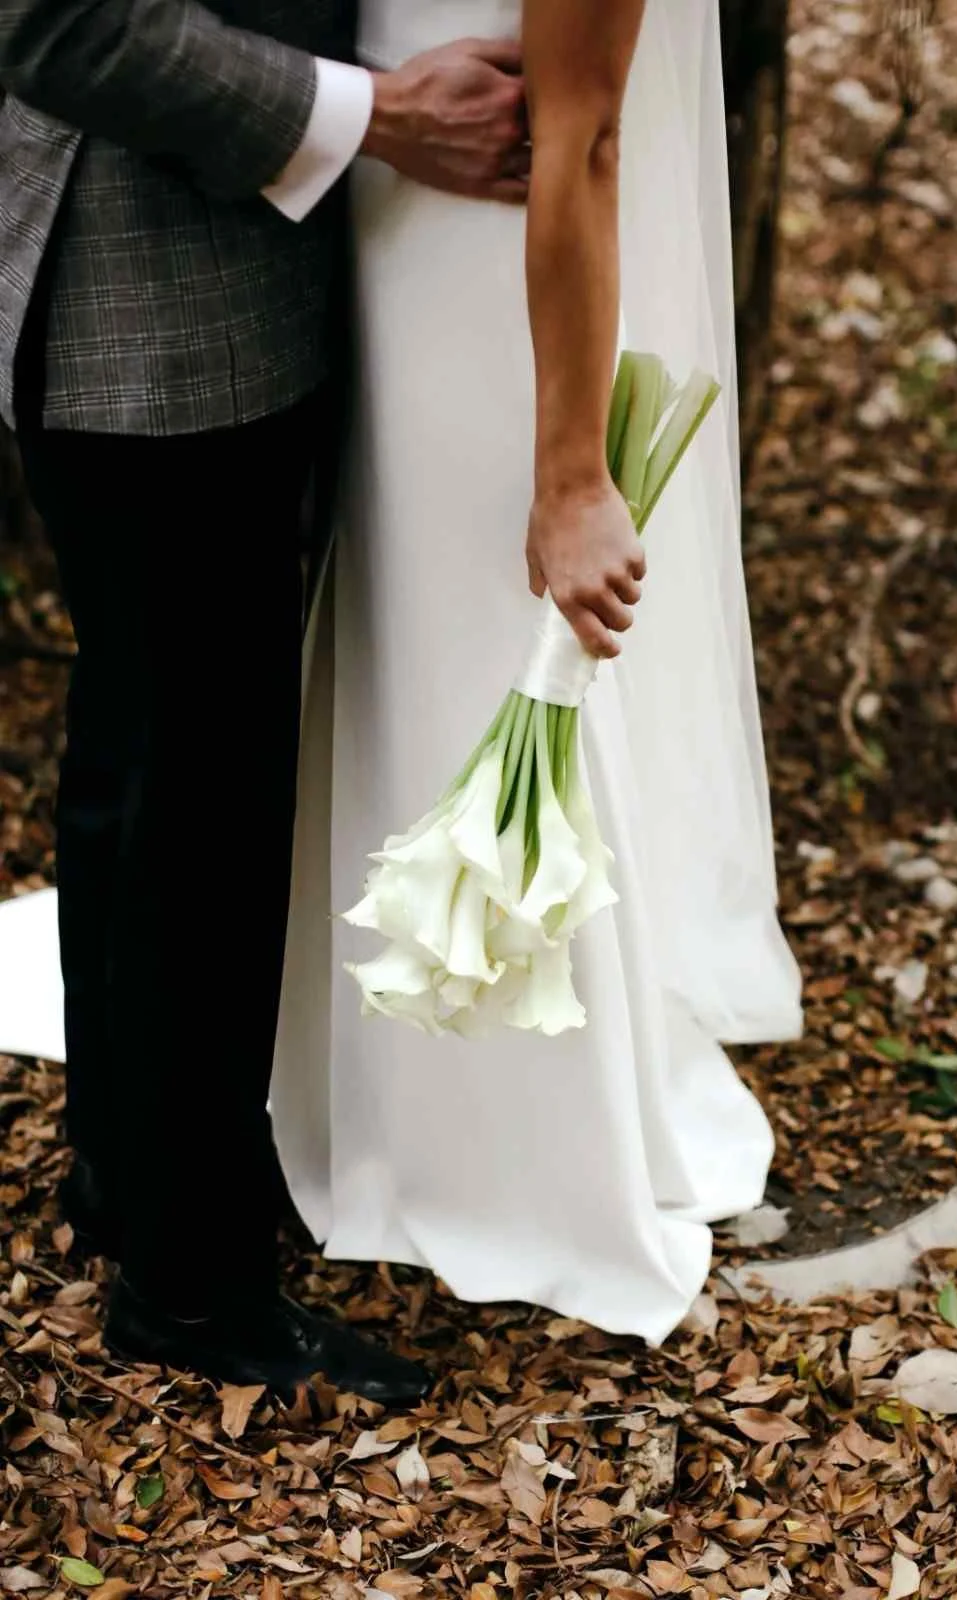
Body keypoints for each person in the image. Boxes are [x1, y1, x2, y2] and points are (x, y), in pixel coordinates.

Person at [0, 0, 530, 1399]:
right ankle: (191, 1291)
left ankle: (135, 1184)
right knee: (206, 806)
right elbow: (64, 25)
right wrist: (380, 115)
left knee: (141, 763)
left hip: (174, 290)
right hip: (156, 306)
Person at [269, 0, 803, 1346]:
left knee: (466, 640)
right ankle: (371, 1073)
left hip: (501, 287)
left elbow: (587, 136)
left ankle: (507, 1140)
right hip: (394, 239)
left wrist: (570, 474)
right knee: (399, 642)